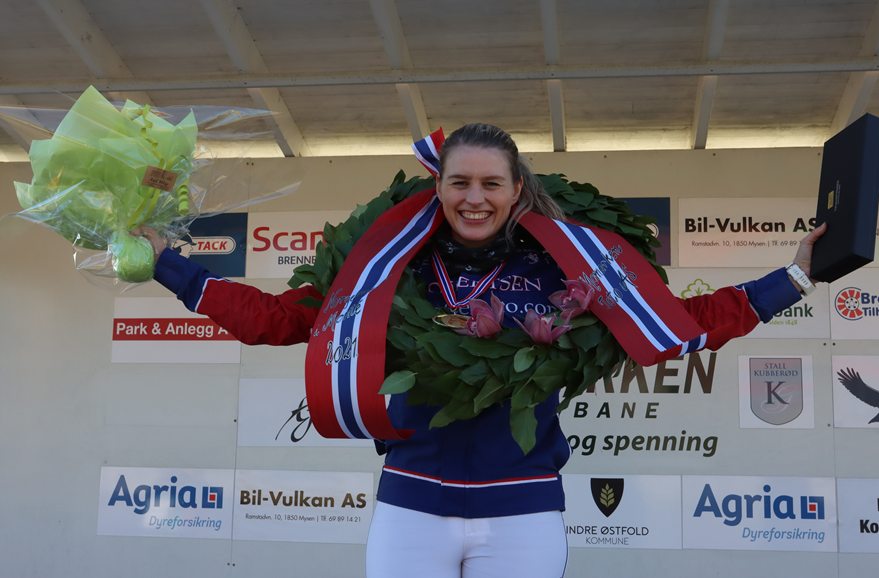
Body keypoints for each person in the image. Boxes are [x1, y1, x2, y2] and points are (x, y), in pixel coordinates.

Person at [137, 123, 825, 578]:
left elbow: (678, 322)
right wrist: (169, 264)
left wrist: (793, 277)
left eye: (491, 183)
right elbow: (280, 320)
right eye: (459, 182)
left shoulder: (566, 267)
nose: (474, 197)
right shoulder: (382, 264)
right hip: (411, 508)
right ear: (437, 187)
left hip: (523, 510)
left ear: (516, 190)